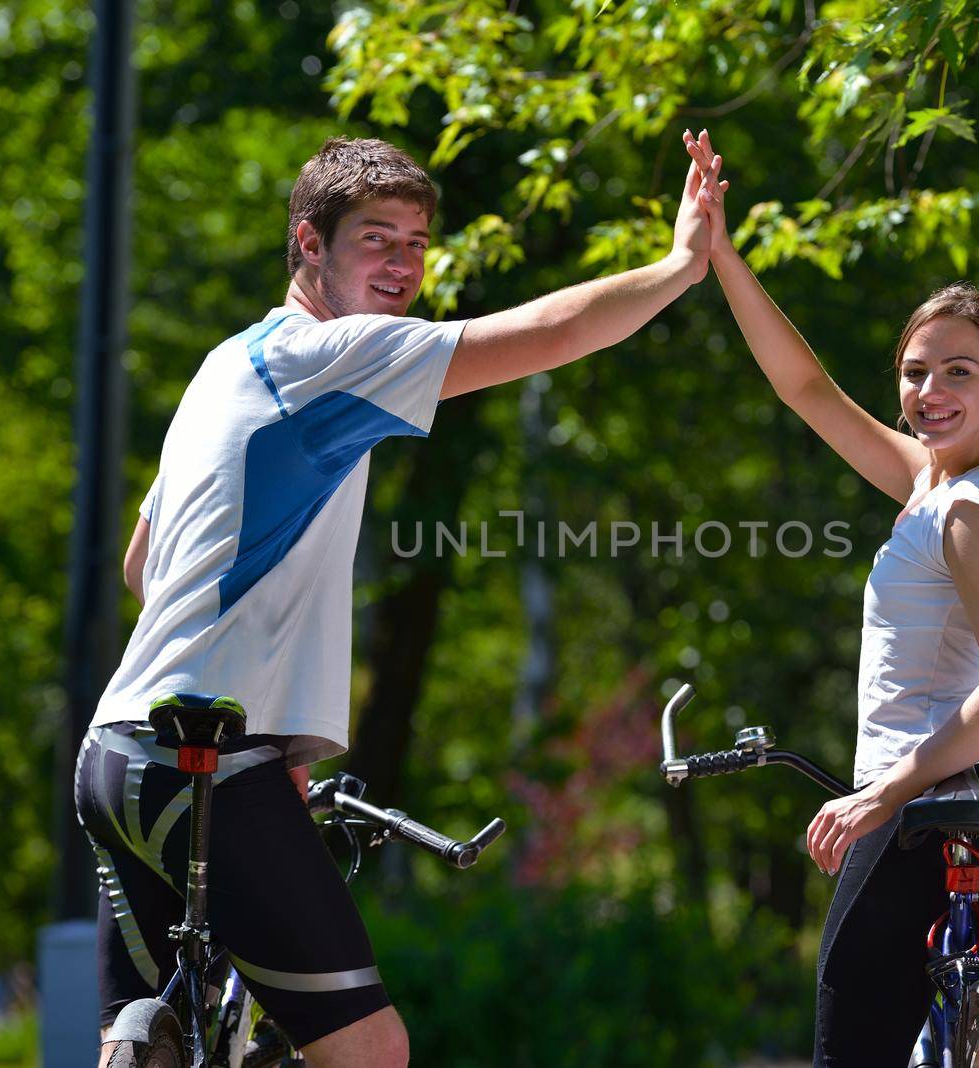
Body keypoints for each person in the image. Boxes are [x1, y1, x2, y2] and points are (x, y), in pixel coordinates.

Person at [75, 135, 723, 1068]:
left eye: (418, 244)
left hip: (115, 755)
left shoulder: (226, 364)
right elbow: (551, 335)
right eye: (377, 240)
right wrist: (678, 266)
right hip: (207, 765)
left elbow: (146, 564)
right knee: (371, 1052)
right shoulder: (337, 353)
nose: (404, 265)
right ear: (310, 242)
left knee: (145, 1042)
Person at [682, 130, 979, 1066]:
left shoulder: (962, 512)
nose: (929, 390)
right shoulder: (947, 483)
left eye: (959, 371)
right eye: (915, 371)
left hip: (921, 808)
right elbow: (808, 389)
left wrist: (884, 794)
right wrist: (721, 257)